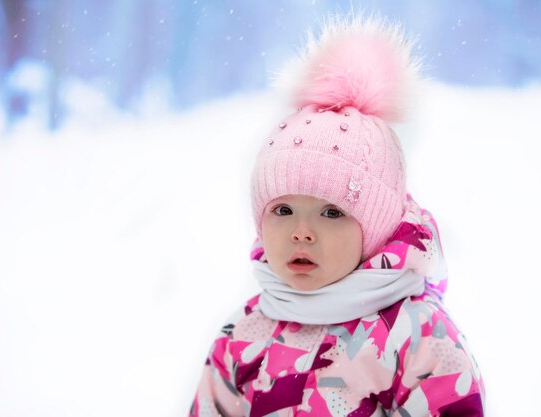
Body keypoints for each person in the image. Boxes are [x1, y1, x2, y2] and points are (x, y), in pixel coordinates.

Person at [189, 13, 486, 417]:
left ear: (377, 228)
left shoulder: (414, 337)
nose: (301, 232)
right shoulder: (246, 332)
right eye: (283, 210)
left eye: (331, 212)